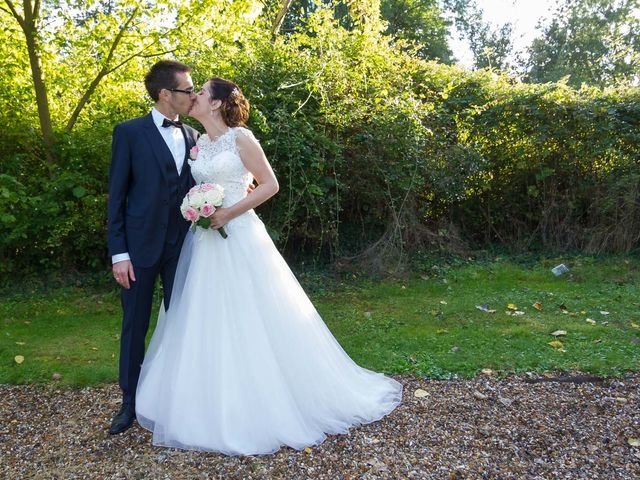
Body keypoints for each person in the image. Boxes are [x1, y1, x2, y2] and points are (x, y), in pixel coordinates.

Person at [135, 77, 403, 455]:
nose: (193, 97)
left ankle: (267, 400)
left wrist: (228, 211)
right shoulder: (200, 142)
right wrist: (199, 207)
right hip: (206, 242)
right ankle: (205, 402)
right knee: (204, 317)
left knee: (252, 313)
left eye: (201, 93)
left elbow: (269, 184)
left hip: (240, 235)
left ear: (216, 104)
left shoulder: (241, 138)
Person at [107, 60, 200, 434]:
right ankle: (129, 403)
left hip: (184, 248)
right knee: (134, 325)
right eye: (187, 90)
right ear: (166, 94)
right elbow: (116, 198)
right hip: (138, 250)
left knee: (185, 323)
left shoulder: (194, 136)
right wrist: (119, 253)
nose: (193, 96)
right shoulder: (129, 133)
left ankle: (181, 397)